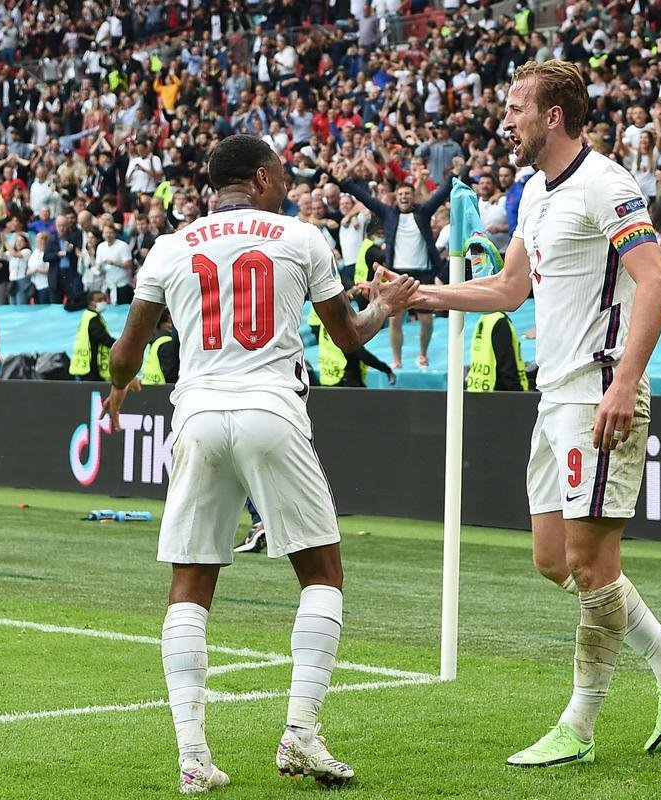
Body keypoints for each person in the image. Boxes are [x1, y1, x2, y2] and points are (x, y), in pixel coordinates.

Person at [410, 61, 661, 768]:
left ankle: (577, 725)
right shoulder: (532, 193)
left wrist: (624, 383)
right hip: (555, 396)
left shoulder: (607, 185)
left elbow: (657, 281)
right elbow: (510, 287)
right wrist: (423, 295)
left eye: (516, 107)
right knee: (555, 562)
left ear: (553, 116)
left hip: (598, 392)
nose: (505, 120)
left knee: (590, 560)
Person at [100, 134, 418, 793]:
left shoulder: (170, 247)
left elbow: (126, 351)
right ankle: (300, 732)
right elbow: (347, 338)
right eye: (285, 174)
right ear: (266, 178)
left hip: (197, 415)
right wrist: (387, 303)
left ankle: (193, 758)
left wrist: (118, 388)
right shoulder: (301, 238)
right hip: (271, 408)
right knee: (322, 573)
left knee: (191, 583)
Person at [336, 167, 449, 369]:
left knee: (426, 320)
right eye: (400, 194)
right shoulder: (388, 213)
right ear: (396, 197)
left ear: (413, 197)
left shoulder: (423, 213)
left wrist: (459, 172)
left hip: (423, 273)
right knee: (396, 320)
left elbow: (442, 194)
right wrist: (344, 181)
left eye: (407, 194)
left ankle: (423, 354)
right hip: (396, 273)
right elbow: (365, 198)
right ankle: (397, 359)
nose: (404, 197)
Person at [465, 311, 528, 392]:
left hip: (479, 389)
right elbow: (506, 367)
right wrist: (518, 393)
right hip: (498, 392)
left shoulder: (485, 318)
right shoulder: (500, 322)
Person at [68, 290, 115, 382]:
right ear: (91, 303)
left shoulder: (87, 315)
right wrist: (119, 345)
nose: (103, 302)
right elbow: (104, 338)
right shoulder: (93, 319)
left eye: (104, 299)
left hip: (84, 364)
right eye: (99, 300)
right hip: (90, 364)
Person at [141, 309, 179, 385]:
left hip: (148, 386)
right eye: (170, 322)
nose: (172, 325)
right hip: (163, 390)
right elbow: (170, 374)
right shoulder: (166, 342)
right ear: (162, 323)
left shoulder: (154, 340)